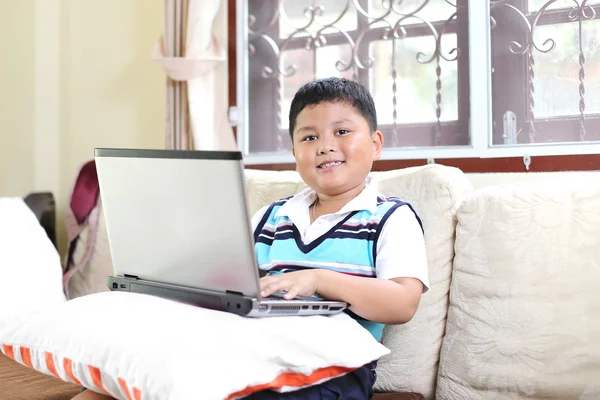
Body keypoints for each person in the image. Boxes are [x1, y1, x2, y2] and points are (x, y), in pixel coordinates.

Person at [73, 77, 428, 400]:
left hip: (331, 371)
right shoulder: (271, 218)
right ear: (294, 152)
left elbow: (401, 304)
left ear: (376, 143)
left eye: (342, 132)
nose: (324, 146)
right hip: (251, 353)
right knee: (122, 376)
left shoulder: (390, 218)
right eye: (309, 137)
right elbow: (234, 286)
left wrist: (318, 279)